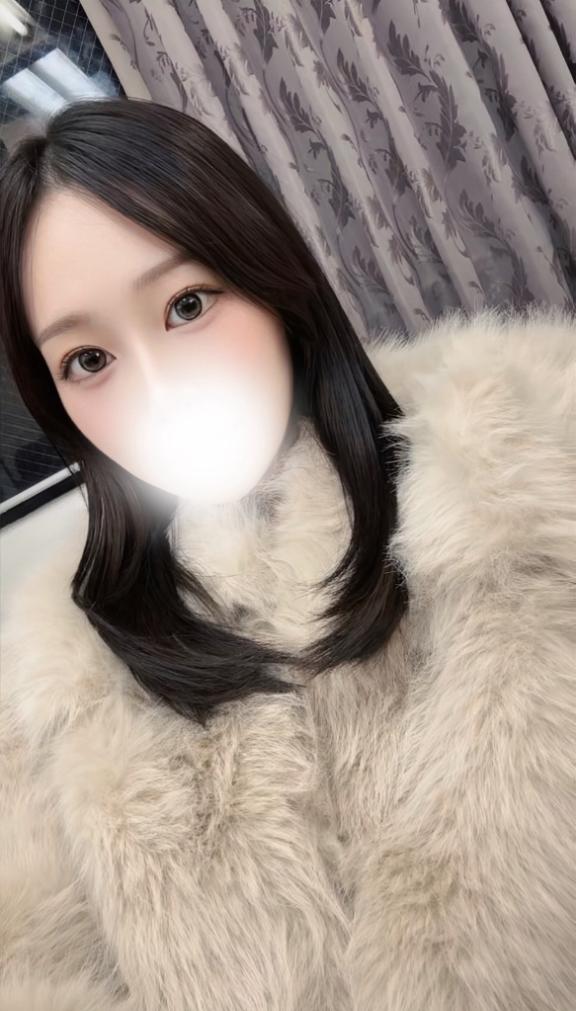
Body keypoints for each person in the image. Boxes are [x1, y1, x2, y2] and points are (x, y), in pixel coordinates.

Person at [0, 97, 574, 1011]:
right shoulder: (56, 682)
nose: (157, 389)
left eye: (187, 305)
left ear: (272, 280)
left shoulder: (540, 466)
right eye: (88, 360)